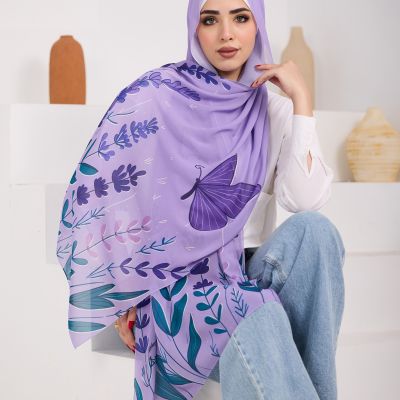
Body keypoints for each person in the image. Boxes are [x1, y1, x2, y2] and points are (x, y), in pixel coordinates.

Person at [57, 0, 345, 399]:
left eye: (240, 18)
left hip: (244, 273)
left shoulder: (275, 109)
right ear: (195, 28)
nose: (226, 33)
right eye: (210, 19)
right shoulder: (161, 97)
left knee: (316, 231)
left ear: (258, 26)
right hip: (179, 287)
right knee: (254, 307)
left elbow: (306, 200)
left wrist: (302, 101)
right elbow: (108, 198)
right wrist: (124, 297)